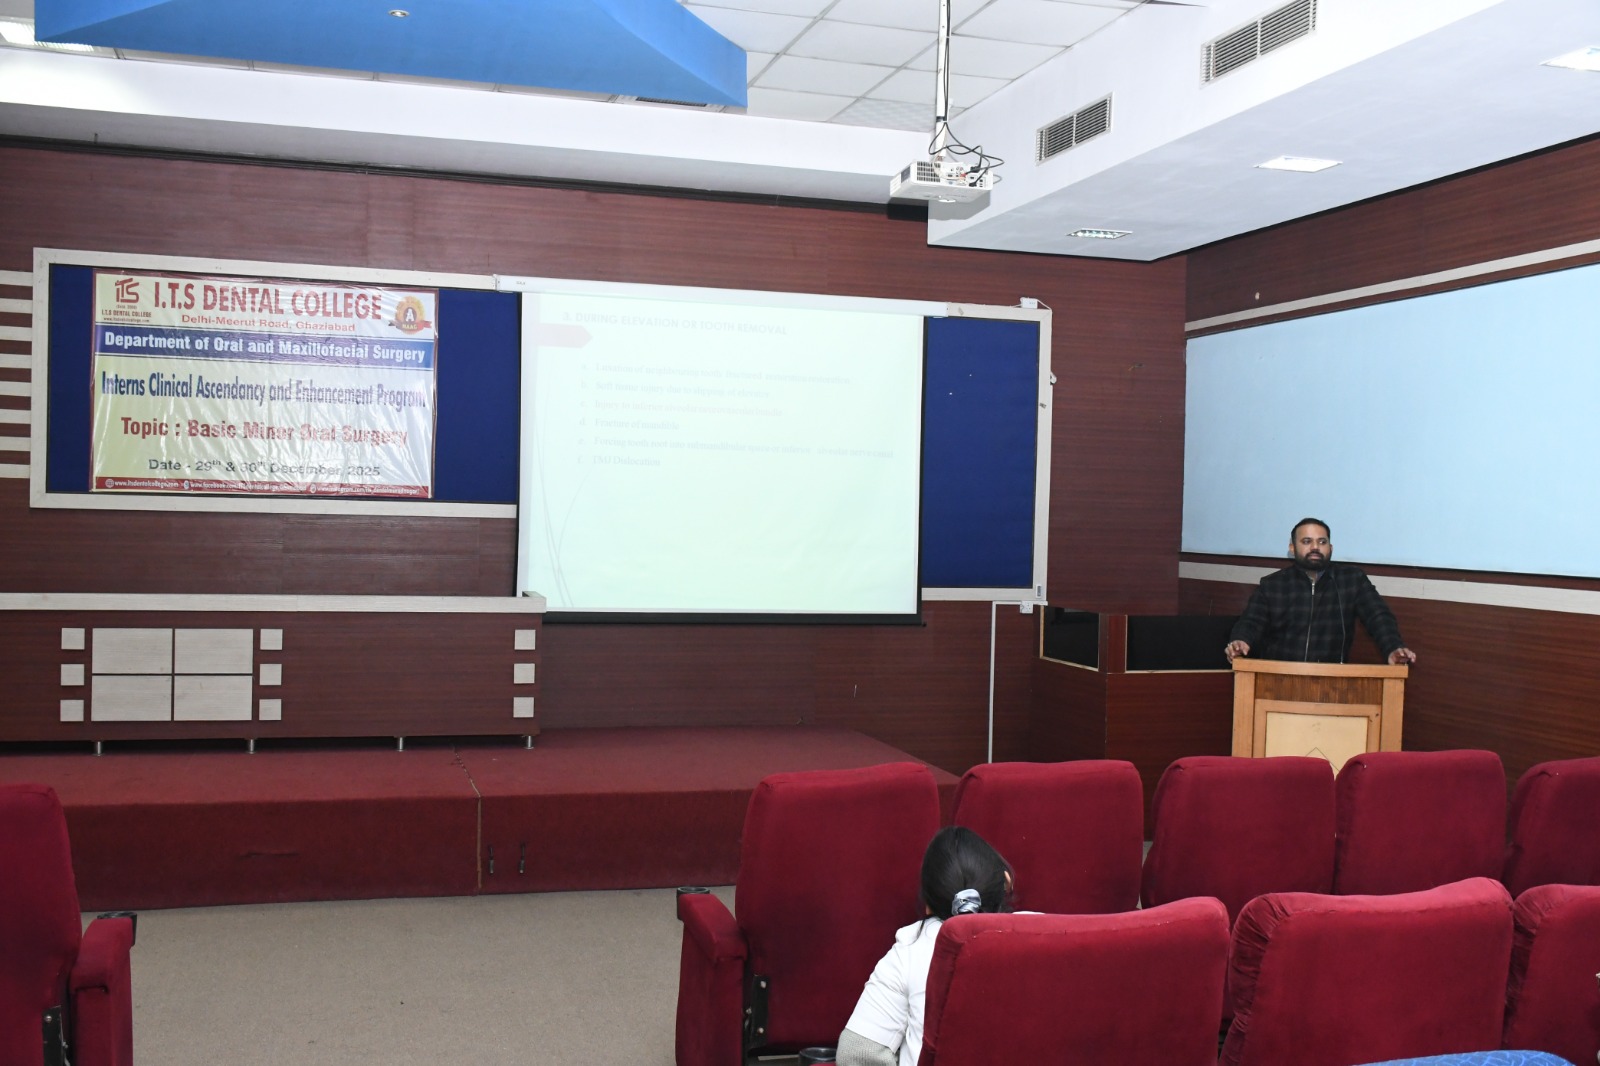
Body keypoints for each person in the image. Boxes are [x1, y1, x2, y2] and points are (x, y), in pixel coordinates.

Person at [837, 826, 1014, 1066]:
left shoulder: (909, 950)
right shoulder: (1046, 936)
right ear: (1006, 882)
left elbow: (857, 1054)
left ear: (928, 903)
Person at [1224, 517, 1418, 666]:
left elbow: (1378, 617)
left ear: (1331, 548)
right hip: (1279, 679)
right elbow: (1252, 621)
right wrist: (1240, 640)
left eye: (1322, 542)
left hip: (1331, 682)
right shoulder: (1273, 585)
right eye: (1307, 541)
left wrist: (1393, 647)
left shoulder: (1351, 580)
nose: (1315, 547)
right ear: (1292, 548)